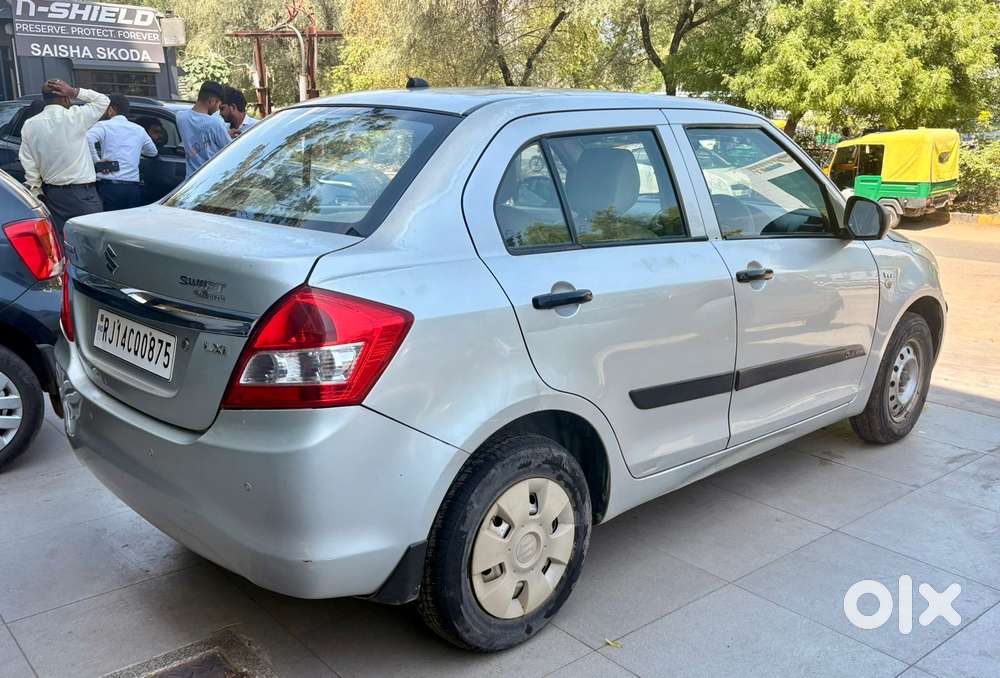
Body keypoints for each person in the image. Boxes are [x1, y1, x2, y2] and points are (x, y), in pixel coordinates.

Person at [19, 80, 109, 235]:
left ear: (45, 99)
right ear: (66, 98)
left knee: (63, 244)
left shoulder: (30, 124)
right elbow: (103, 101)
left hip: (53, 196)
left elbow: (29, 163)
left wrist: (36, 191)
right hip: (83, 194)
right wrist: (74, 91)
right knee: (92, 244)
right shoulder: (75, 116)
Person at [86, 94, 158, 212]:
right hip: (132, 187)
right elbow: (152, 152)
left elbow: (87, 138)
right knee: (129, 223)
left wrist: (97, 161)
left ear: (110, 110)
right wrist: (136, 151)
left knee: (108, 223)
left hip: (108, 186)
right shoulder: (139, 129)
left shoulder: (104, 126)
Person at [175, 81, 230, 176]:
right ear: (212, 101)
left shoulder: (180, 117)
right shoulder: (215, 124)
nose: (217, 109)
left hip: (190, 179)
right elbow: (230, 149)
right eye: (218, 105)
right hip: (210, 179)